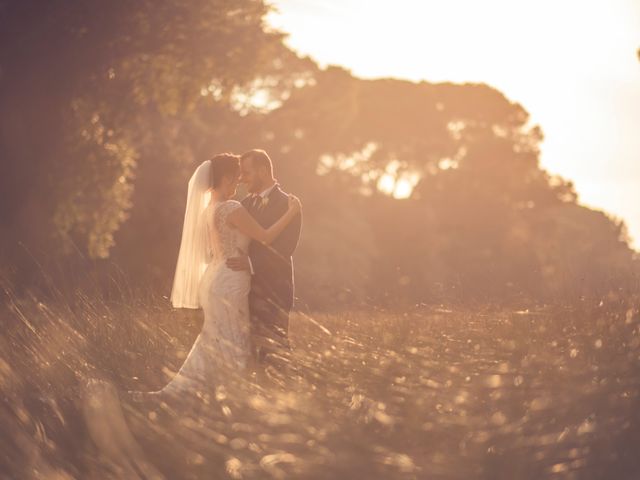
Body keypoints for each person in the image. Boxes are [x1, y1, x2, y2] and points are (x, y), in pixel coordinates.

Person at [226, 149, 303, 368]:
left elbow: (284, 250)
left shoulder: (289, 204)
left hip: (274, 293)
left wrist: (250, 264)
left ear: (262, 171)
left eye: (246, 173)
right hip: (245, 292)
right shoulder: (245, 204)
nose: (241, 179)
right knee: (248, 357)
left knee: (275, 356)